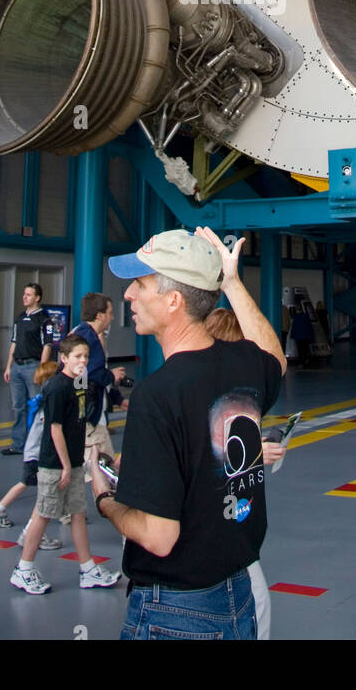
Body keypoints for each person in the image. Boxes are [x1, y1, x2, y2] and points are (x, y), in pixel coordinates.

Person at [88, 225, 285, 640]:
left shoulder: (157, 395)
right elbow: (274, 358)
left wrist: (105, 499)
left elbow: (159, 538)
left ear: (173, 300)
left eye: (140, 285)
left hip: (175, 610)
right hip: (239, 596)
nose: (127, 295)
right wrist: (231, 282)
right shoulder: (245, 364)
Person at [10, 332, 120, 594]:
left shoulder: (80, 384)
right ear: (63, 359)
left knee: (78, 513)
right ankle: (23, 569)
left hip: (73, 461)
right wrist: (67, 466)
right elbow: (55, 429)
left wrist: (84, 455)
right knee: (44, 513)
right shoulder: (57, 388)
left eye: (86, 356)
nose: (83, 361)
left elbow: (80, 418)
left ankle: (87, 568)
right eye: (77, 357)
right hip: (55, 465)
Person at [203, 306, 287, 640]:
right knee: (257, 602)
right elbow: (200, 461)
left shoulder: (234, 392)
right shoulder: (205, 392)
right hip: (211, 528)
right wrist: (251, 455)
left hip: (233, 525)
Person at [0, 359, 64, 550]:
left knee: (35, 489)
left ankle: (5, 512)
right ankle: (7, 514)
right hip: (38, 456)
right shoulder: (48, 404)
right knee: (39, 493)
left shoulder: (41, 401)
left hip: (33, 454)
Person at [73, 292, 127, 461]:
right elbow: (95, 374)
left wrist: (117, 398)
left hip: (83, 410)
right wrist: (111, 375)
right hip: (90, 415)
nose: (112, 318)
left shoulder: (79, 334)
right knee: (102, 464)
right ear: (99, 315)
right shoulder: (89, 340)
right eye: (110, 313)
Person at [1, 282, 55, 454]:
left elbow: (47, 345)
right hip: (17, 366)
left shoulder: (44, 319)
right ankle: (18, 445)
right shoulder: (19, 318)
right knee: (18, 407)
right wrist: (9, 366)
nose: (25, 297)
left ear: (37, 298)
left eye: (29, 294)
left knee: (36, 405)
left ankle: (38, 444)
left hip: (33, 365)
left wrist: (41, 368)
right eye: (24, 294)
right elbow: (14, 342)